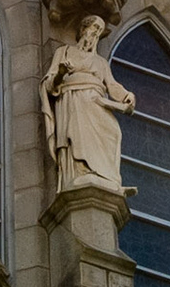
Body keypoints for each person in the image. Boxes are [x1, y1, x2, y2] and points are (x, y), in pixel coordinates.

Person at [41, 14, 135, 192]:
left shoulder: (100, 62)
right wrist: (61, 73)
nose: (96, 34)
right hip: (74, 100)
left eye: (99, 31)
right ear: (83, 29)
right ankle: (81, 173)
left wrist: (126, 96)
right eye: (94, 28)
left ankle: (110, 181)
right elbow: (48, 84)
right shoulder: (64, 52)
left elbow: (112, 85)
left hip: (98, 102)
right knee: (78, 136)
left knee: (112, 133)